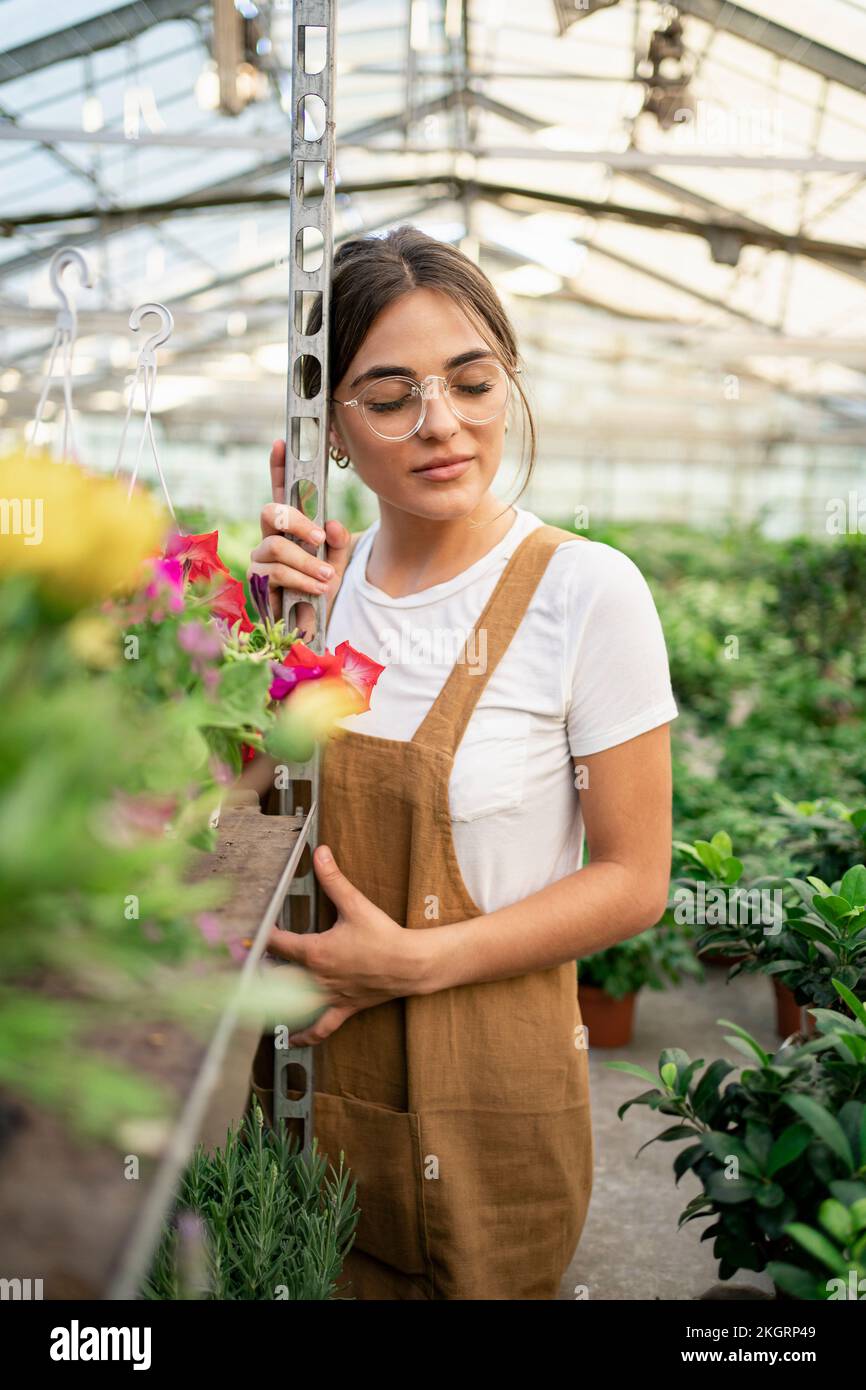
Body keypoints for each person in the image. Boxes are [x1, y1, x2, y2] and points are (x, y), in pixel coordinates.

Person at [248, 225, 678, 1300]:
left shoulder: (586, 591)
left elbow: (634, 879)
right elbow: (245, 825)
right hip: (308, 1090)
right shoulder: (314, 593)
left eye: (471, 382)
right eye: (387, 397)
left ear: (507, 380)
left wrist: (413, 962)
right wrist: (247, 644)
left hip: (488, 1098)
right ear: (329, 428)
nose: (440, 424)